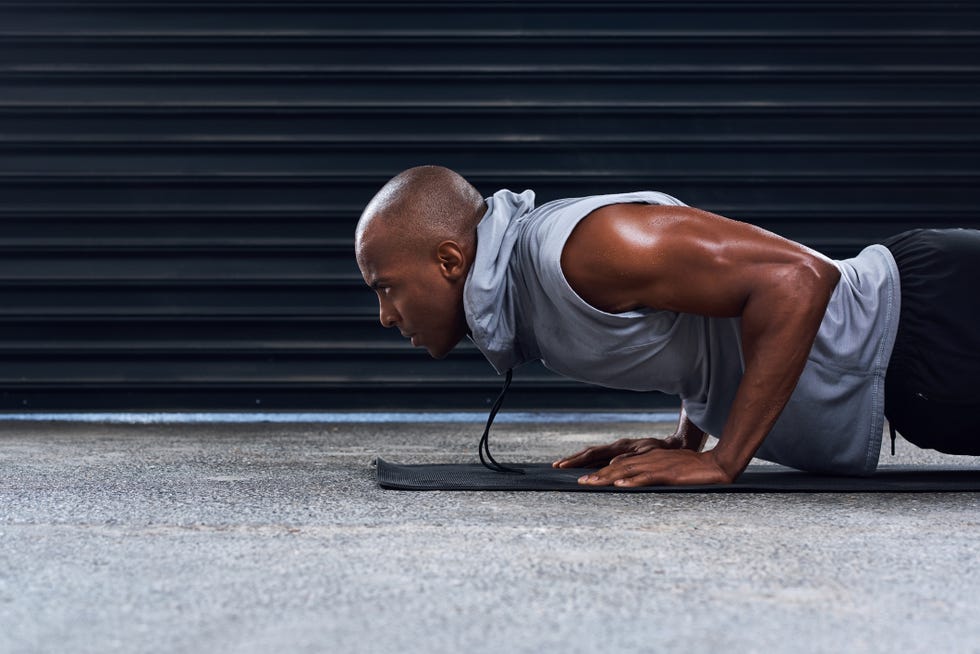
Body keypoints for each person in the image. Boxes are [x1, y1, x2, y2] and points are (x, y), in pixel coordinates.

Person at [354, 165, 980, 486]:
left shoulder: (576, 250)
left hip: (942, 319)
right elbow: (697, 325)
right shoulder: (527, 294)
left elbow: (797, 279)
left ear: (449, 260)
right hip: (918, 381)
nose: (385, 316)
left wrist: (725, 462)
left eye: (386, 288)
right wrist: (689, 438)